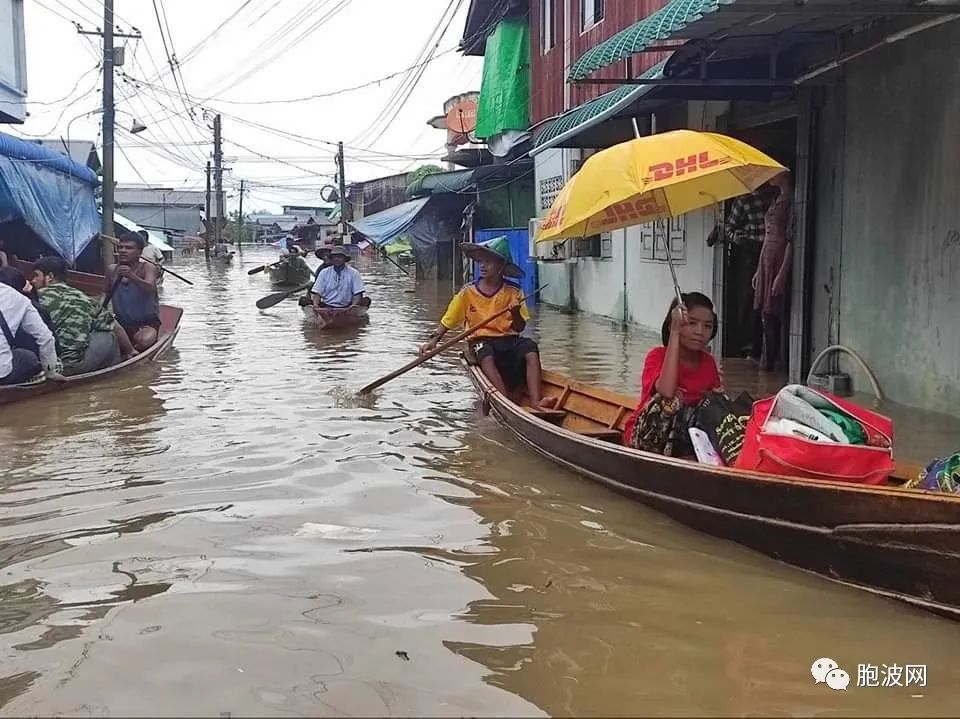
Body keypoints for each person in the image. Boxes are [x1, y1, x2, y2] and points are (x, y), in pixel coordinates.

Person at [419, 236, 555, 411]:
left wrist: (515, 312)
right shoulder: (467, 292)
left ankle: (537, 401)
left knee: (530, 347)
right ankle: (504, 401)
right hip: (481, 341)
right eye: (481, 261)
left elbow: (519, 328)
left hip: (508, 340)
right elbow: (448, 321)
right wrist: (433, 341)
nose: (483, 266)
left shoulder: (513, 291)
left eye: (489, 262)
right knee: (485, 352)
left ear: (501, 266)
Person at [623, 292, 722, 457]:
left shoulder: (708, 362)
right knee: (671, 399)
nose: (700, 332)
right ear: (673, 325)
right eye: (691, 323)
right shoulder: (656, 356)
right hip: (648, 439)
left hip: (685, 439)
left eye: (707, 326)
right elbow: (667, 391)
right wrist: (675, 332)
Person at [707, 185, 776, 360]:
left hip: (771, 249)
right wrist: (738, 239)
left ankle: (764, 347)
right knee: (748, 298)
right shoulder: (743, 201)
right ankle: (747, 345)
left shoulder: (774, 196)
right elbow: (729, 227)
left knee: (769, 297)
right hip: (750, 251)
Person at [31, 256, 127, 375]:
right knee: (109, 333)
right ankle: (116, 369)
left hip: (45, 363)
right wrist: (131, 351)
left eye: (36, 276)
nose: (33, 281)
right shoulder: (82, 297)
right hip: (71, 365)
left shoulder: (32, 298)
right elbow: (115, 326)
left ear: (50, 277)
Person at [753, 171, 794, 371]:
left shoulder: (791, 202)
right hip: (766, 258)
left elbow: (791, 241)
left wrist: (782, 274)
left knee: (776, 312)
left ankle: (776, 364)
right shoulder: (775, 199)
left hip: (778, 259)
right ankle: (767, 362)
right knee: (765, 312)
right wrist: (757, 271)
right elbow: (767, 235)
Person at [106, 232, 160, 352]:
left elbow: (150, 289)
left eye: (129, 248)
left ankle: (131, 352)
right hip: (120, 325)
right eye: (120, 247)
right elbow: (106, 295)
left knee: (143, 341)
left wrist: (131, 276)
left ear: (140, 252)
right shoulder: (112, 270)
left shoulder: (148, 267)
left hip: (146, 325)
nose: (123, 251)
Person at [0, 281, 59, 385]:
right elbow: (46, 338)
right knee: (28, 357)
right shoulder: (18, 298)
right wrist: (50, 372)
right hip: (2, 373)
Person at [0, 266, 57, 353]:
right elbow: (48, 340)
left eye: (36, 276)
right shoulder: (32, 306)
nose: (33, 281)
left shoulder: (32, 305)